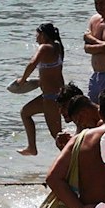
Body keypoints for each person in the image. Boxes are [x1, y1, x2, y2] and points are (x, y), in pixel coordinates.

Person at [14, 23, 67, 155]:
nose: (36, 39)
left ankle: (71, 161)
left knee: (57, 136)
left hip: (51, 98)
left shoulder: (44, 48)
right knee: (25, 112)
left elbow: (32, 63)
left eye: (37, 35)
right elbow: (52, 72)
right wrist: (38, 82)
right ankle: (32, 147)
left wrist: (22, 80)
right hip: (58, 94)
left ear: (43, 35)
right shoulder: (57, 46)